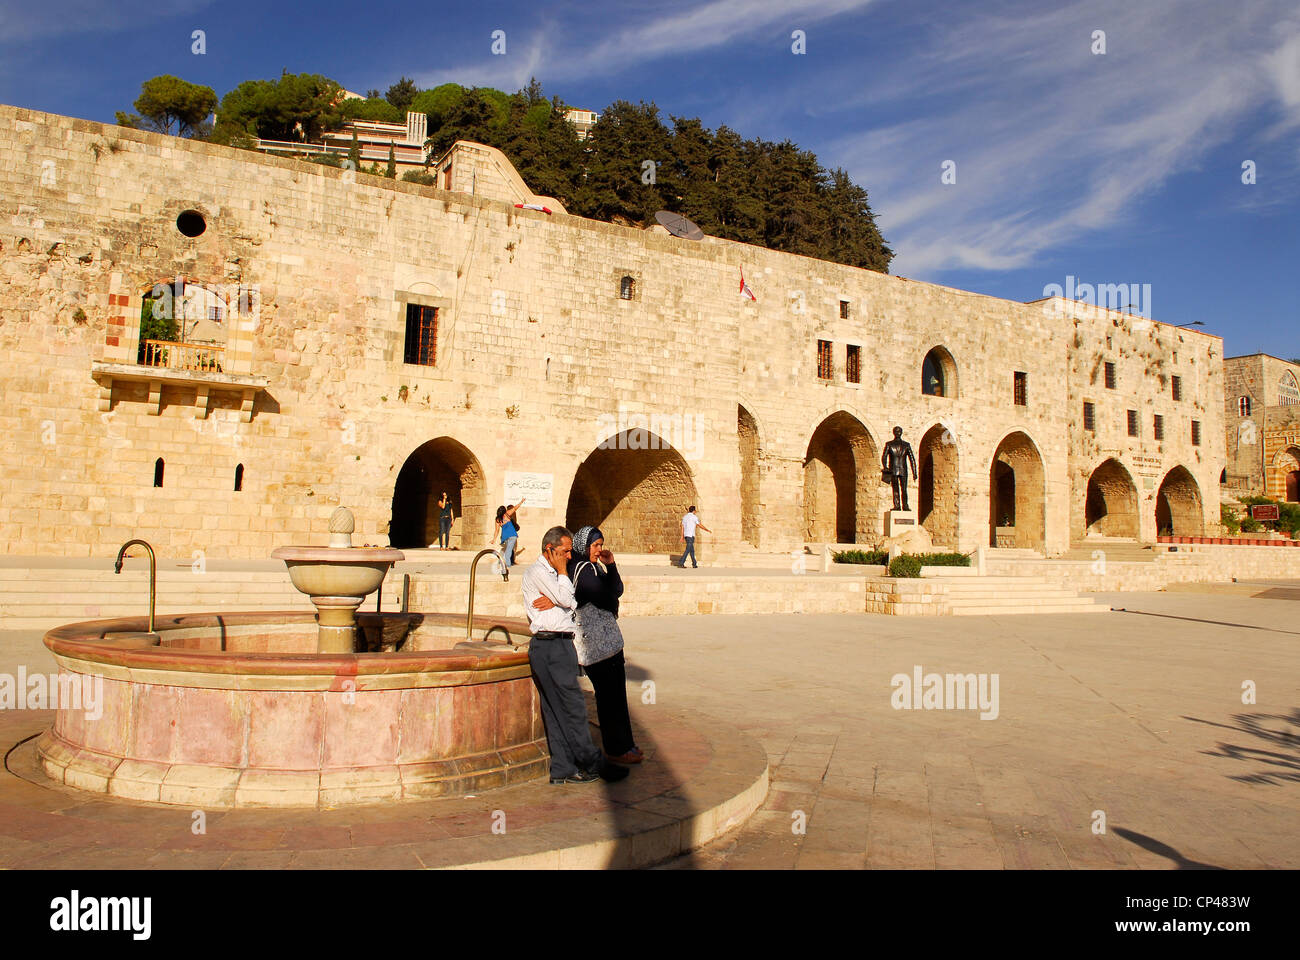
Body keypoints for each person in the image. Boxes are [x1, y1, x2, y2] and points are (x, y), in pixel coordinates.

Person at [521, 526, 628, 785]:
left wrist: (560, 594)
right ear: (550, 549)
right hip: (551, 646)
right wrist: (561, 581)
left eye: (570, 551)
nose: (569, 556)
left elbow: (568, 598)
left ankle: (563, 768)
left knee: (555, 708)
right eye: (565, 552)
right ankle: (593, 763)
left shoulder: (555, 575)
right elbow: (569, 599)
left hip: (558, 644)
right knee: (573, 707)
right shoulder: (539, 572)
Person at [568, 525, 642, 765]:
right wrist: (609, 591)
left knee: (617, 695)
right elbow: (604, 596)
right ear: (583, 546)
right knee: (610, 697)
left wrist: (610, 565)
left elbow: (615, 590)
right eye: (595, 545)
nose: (599, 550)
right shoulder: (582, 569)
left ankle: (625, 744)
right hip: (596, 647)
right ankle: (617, 748)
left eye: (601, 545)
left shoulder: (594, 568)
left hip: (607, 644)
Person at [882, 426, 918, 512]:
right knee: (901, 489)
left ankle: (901, 506)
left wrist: (885, 466)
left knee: (898, 489)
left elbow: (884, 457)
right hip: (901, 470)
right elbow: (912, 459)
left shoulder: (890, 444)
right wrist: (914, 472)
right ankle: (902, 506)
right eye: (897, 432)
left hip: (895, 469)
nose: (898, 433)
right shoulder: (905, 445)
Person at [495, 496, 526, 567]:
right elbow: (515, 508)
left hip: (505, 537)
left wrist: (494, 539)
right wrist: (521, 501)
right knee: (507, 550)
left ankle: (500, 562)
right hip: (511, 536)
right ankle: (507, 565)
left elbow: (496, 531)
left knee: (505, 550)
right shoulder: (507, 514)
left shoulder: (498, 519)